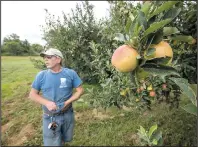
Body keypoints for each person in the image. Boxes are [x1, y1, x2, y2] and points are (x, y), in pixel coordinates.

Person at [29, 48, 84, 146]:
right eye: (45, 58)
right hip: (50, 117)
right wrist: (47, 103)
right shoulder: (41, 75)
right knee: (52, 143)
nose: (45, 60)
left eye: (49, 57)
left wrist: (67, 102)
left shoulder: (70, 73)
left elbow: (80, 91)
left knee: (65, 138)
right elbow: (32, 95)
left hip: (68, 114)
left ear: (58, 59)